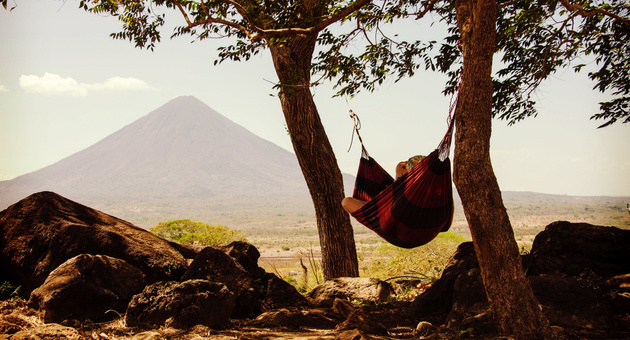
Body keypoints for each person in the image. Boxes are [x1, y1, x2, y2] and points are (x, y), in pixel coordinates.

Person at [341, 155, 426, 214]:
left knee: (347, 202)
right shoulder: (399, 188)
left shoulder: (421, 193)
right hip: (386, 207)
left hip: (393, 212)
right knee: (347, 201)